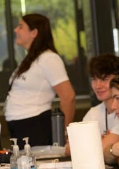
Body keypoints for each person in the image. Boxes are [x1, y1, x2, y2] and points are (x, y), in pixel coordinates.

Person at [5, 13, 76, 147]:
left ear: (34, 33)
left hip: (35, 125)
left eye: (21, 27)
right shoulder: (31, 59)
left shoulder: (49, 59)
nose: (16, 30)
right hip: (20, 126)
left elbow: (69, 97)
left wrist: (63, 133)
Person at [65, 54, 119, 157]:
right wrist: (101, 143)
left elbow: (99, 149)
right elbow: (69, 149)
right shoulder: (93, 113)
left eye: (105, 79)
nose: (98, 86)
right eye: (94, 79)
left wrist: (96, 143)